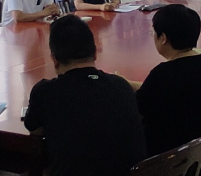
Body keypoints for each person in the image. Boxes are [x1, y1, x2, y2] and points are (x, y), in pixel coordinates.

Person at [24, 14, 146, 176]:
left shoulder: (45, 92)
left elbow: (35, 130)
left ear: (54, 59)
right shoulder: (121, 86)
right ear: (95, 53)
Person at [121, 4, 201, 176]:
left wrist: (119, 87)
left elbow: (137, 108)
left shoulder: (164, 74)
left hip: (175, 164)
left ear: (163, 38)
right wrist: (129, 83)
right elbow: (170, 91)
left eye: (154, 33)